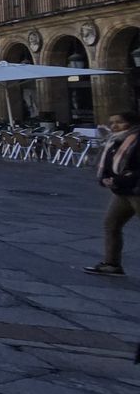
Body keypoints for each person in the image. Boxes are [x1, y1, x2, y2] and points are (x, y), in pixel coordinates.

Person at [85, 111, 140, 276]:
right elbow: (108, 164)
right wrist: (105, 179)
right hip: (122, 192)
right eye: (112, 122)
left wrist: (118, 180)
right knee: (111, 224)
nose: (114, 126)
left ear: (131, 123)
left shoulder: (137, 140)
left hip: (136, 191)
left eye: (119, 122)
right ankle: (112, 264)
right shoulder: (114, 140)